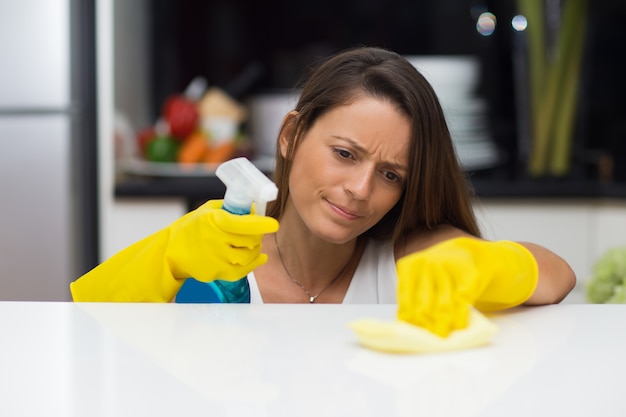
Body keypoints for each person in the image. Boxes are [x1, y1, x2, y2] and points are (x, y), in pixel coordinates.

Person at [70, 46, 576, 337]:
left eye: (391, 175)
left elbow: (558, 276)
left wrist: (483, 264)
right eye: (346, 153)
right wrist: (169, 257)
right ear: (290, 136)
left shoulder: (403, 260)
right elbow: (78, 332)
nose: (360, 190)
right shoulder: (213, 250)